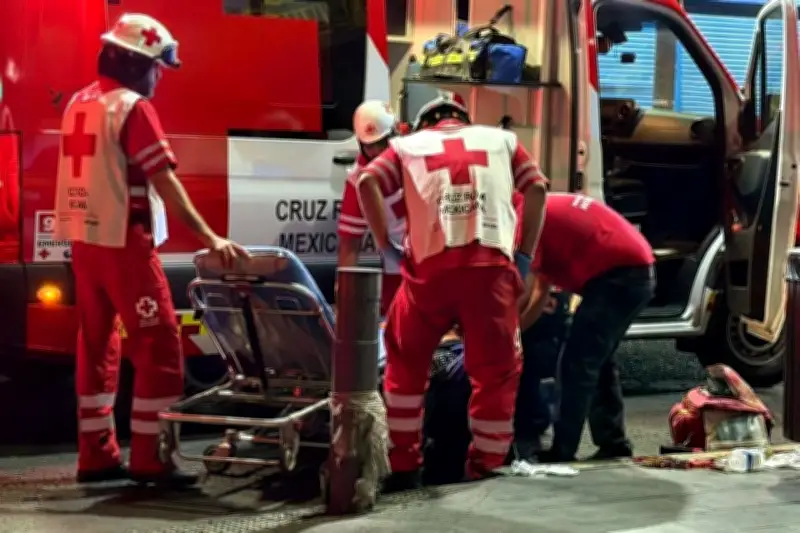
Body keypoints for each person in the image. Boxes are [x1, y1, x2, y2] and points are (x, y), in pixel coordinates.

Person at [54, 13, 248, 486]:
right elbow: (164, 180)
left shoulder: (79, 101)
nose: (159, 77)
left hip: (85, 243)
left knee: (97, 348)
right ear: (137, 63)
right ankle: (152, 458)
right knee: (159, 348)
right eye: (157, 66)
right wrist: (210, 237)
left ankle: (96, 455)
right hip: (125, 245)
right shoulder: (132, 108)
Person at [356, 93, 548, 491]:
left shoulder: (406, 147)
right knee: (496, 372)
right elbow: (537, 189)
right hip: (490, 268)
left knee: (404, 366)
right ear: (464, 119)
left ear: (424, 124)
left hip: (429, 271)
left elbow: (367, 180)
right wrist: (524, 255)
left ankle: (404, 464)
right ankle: (486, 465)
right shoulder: (504, 140)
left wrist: (385, 245)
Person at [519, 192, 655, 463]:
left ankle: (563, 450)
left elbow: (523, 291)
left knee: (577, 362)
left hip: (620, 274)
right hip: (634, 270)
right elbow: (540, 291)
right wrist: (516, 333)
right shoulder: (535, 211)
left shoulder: (525, 221)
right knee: (598, 360)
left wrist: (506, 336)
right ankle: (613, 442)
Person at [337, 100, 404, 314]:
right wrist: (345, 298)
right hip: (398, 269)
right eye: (369, 145)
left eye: (381, 144)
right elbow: (350, 244)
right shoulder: (358, 181)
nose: (376, 152)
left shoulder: (415, 154)